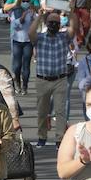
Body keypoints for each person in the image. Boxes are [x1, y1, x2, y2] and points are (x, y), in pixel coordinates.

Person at [30, 9, 74, 147]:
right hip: (42, 79)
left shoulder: (64, 37)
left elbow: (74, 28)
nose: (53, 24)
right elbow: (30, 33)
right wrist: (40, 17)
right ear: (46, 23)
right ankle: (42, 137)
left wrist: (71, 12)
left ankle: (59, 139)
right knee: (42, 111)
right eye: (51, 22)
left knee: (60, 111)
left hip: (60, 79)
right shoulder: (40, 38)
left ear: (60, 24)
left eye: (56, 22)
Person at [8, 0, 37, 93]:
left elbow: (36, 25)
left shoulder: (32, 12)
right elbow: (15, 25)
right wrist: (23, 16)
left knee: (26, 65)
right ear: (20, 2)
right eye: (24, 1)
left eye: (28, 1)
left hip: (28, 42)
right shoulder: (15, 11)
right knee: (16, 66)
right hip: (17, 40)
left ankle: (25, 86)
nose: (26, 3)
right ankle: (17, 83)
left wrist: (34, 17)